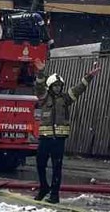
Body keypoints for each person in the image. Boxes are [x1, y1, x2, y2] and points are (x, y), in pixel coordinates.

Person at [33, 62, 100, 203]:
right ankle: (44, 187)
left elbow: (78, 89)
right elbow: (39, 86)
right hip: (45, 138)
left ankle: (54, 195)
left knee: (57, 167)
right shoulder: (44, 98)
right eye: (55, 86)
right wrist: (40, 72)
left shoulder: (65, 98)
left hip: (59, 140)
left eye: (59, 86)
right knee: (40, 164)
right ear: (50, 86)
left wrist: (89, 77)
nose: (57, 88)